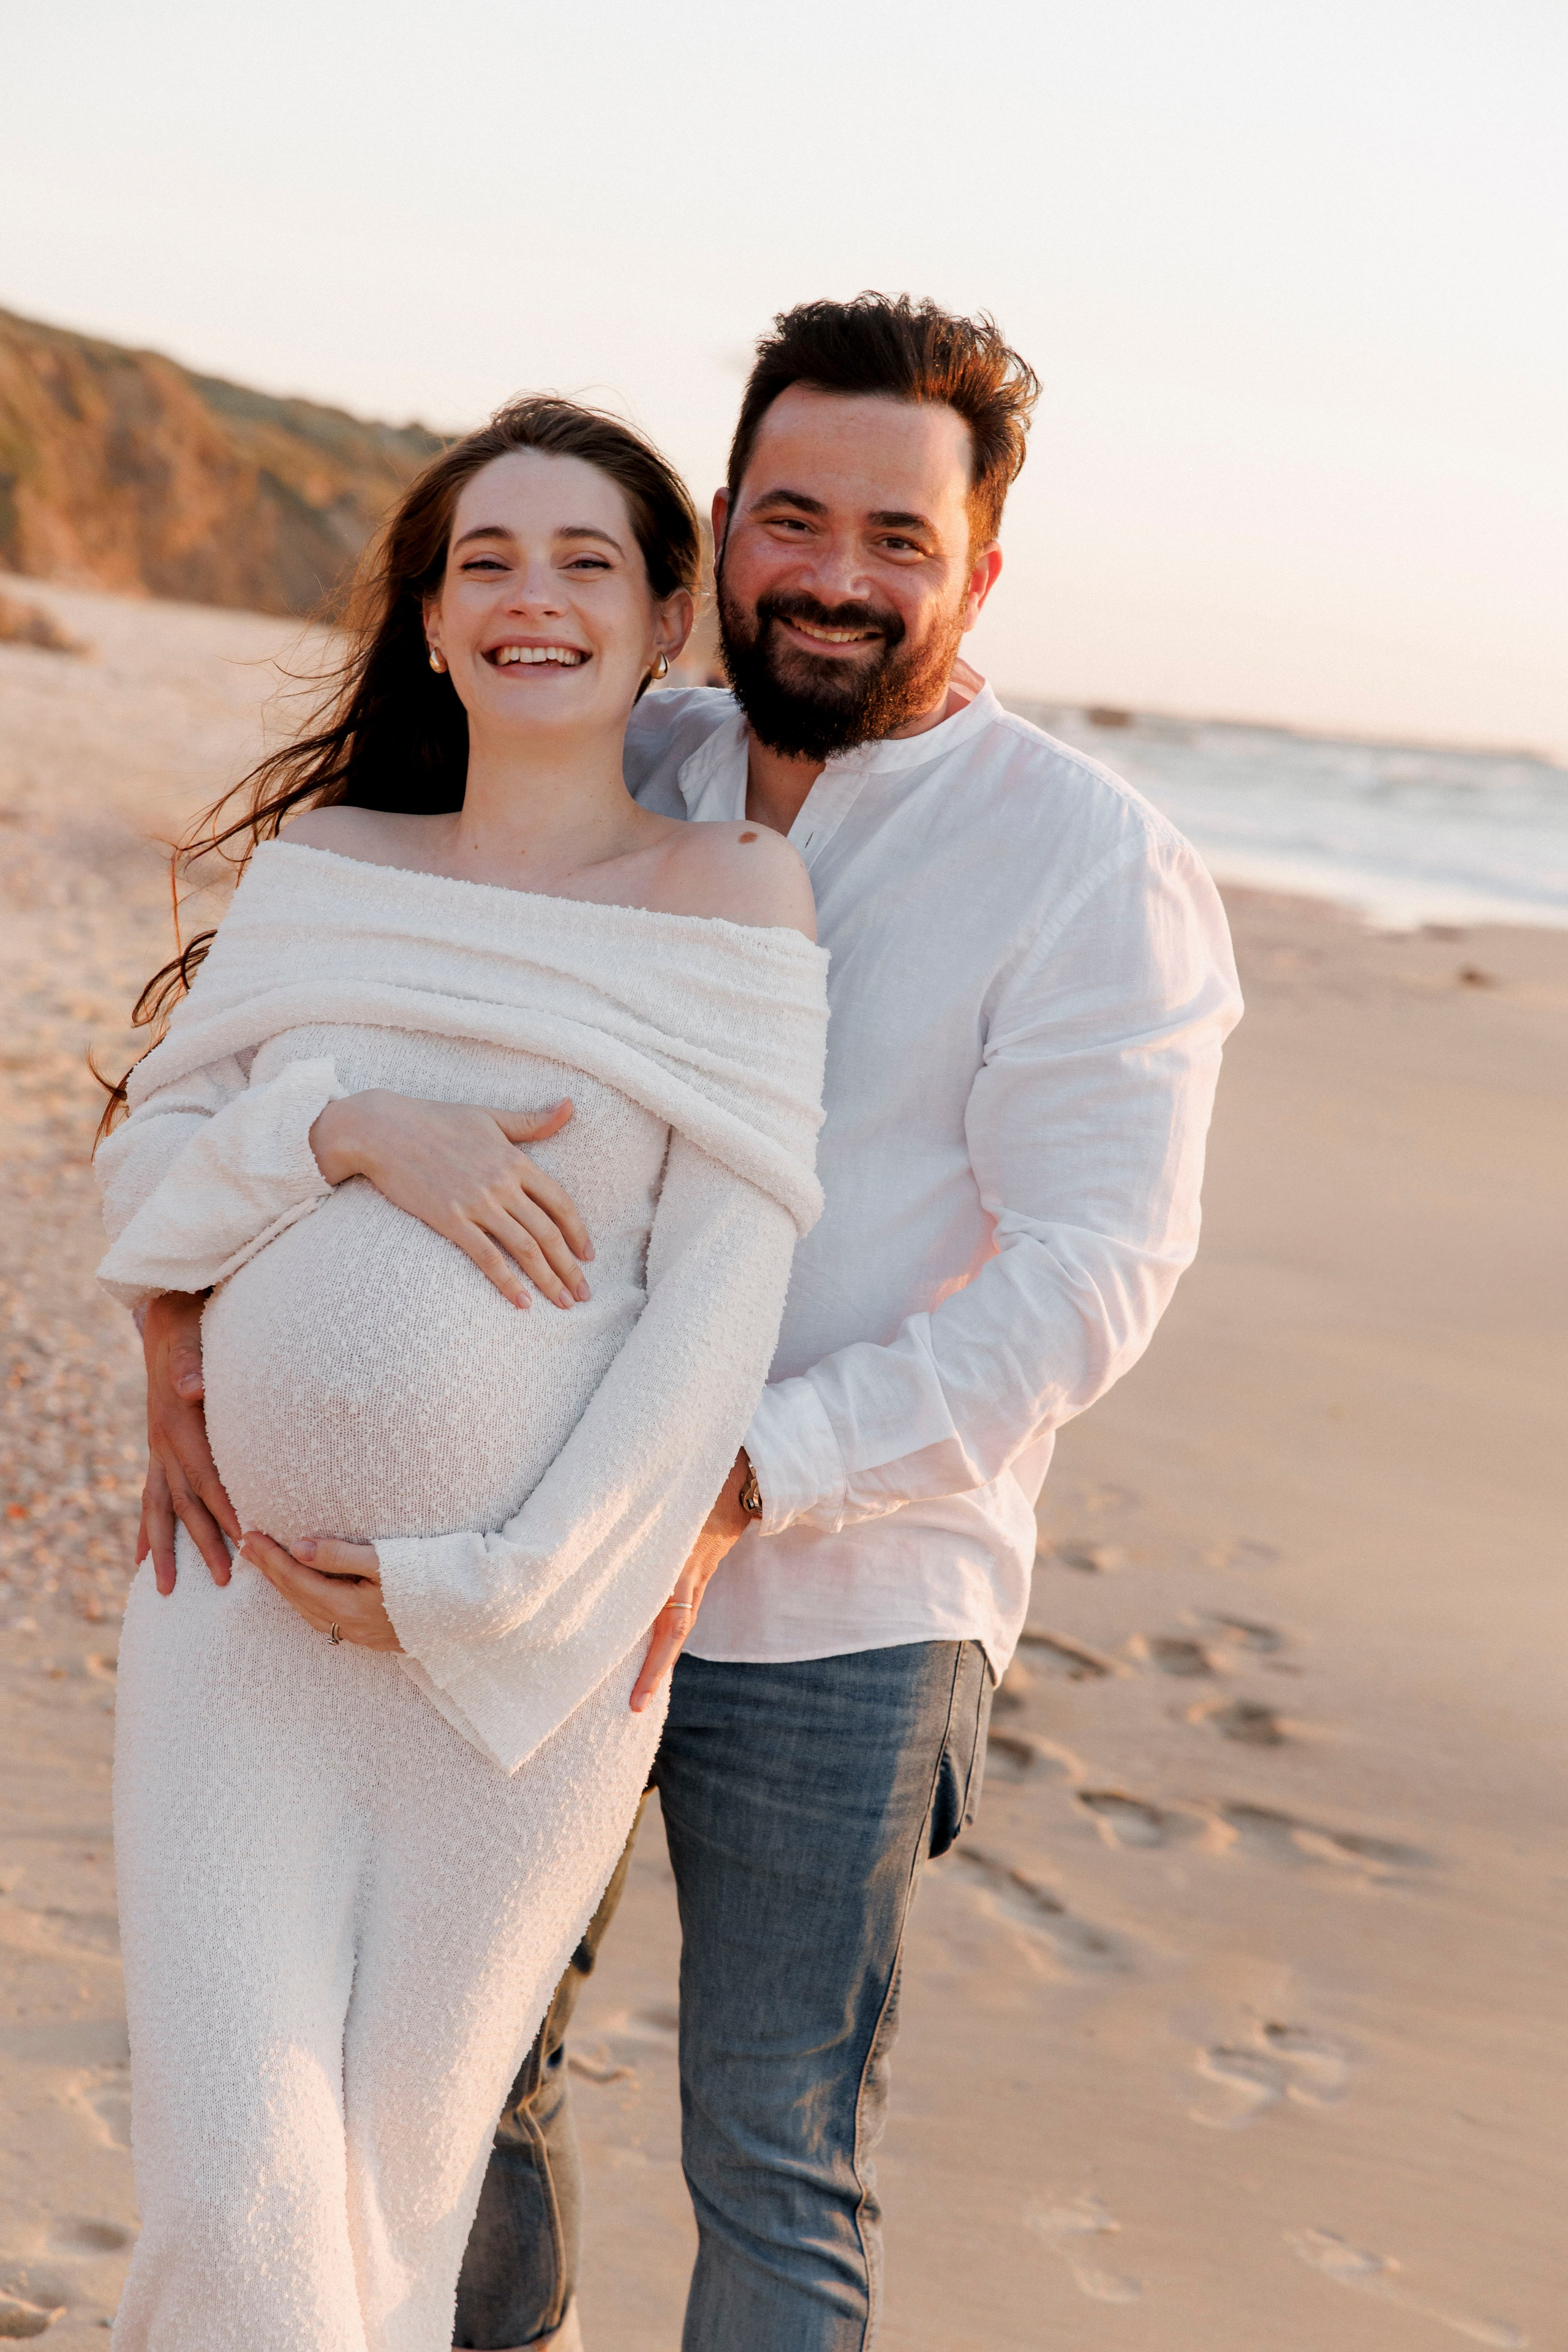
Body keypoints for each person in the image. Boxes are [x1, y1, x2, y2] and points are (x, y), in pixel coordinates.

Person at [137, 294, 1243, 2352]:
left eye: (898, 540)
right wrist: (187, 1327)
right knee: (458, 2101)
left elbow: (1089, 1280)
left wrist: (734, 1485)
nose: (836, 578)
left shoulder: (1096, 865)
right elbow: (308, 1016)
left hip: (843, 1601)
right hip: (463, 1587)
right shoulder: (611, 746)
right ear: (718, 535)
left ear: (981, 567)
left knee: (770, 2141)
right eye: (795, 520)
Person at [92, 396, 829, 2352]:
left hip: (520, 1670)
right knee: (236, 2183)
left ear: (670, 618)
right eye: (484, 560)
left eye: (589, 561)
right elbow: (147, 1181)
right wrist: (348, 1126)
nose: (533, 599)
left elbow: (712, 1315)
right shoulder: (335, 860)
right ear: (427, 619)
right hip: (232, 1622)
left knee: (397, 2202)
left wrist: (487, 1594)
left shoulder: (734, 897)